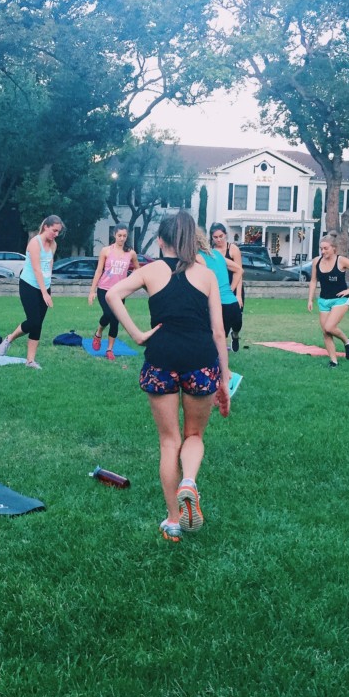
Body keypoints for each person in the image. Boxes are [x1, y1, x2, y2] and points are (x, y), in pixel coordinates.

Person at [106, 211, 230, 543]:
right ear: (191, 239)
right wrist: (224, 376)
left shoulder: (151, 270)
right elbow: (219, 333)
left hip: (160, 357)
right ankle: (189, 480)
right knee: (193, 436)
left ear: (161, 240)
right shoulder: (206, 276)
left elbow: (112, 295)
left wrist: (136, 334)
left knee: (168, 442)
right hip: (200, 359)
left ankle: (174, 520)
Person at [0, 215, 63, 369]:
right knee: (33, 321)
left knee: (38, 324)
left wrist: (48, 286)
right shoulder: (35, 243)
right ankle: (9, 338)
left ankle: (30, 361)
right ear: (46, 226)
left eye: (58, 231)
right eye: (54, 230)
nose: (56, 234)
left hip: (44, 286)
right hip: (29, 285)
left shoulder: (53, 244)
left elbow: (49, 264)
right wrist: (44, 293)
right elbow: (36, 269)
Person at [307, 234, 349, 367]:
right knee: (326, 331)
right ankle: (333, 361)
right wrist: (310, 299)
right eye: (321, 249)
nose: (323, 251)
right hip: (324, 300)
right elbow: (313, 281)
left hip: (340, 300)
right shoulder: (317, 261)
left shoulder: (341, 261)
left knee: (330, 327)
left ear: (334, 248)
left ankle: (347, 342)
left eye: (326, 248)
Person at [88, 223, 139, 360]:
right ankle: (98, 332)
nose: (122, 238)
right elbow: (99, 271)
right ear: (114, 235)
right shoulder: (106, 251)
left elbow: (137, 269)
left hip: (119, 292)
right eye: (119, 235)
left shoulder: (131, 253)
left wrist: (129, 282)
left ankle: (109, 349)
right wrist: (92, 291)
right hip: (104, 289)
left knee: (116, 320)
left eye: (124, 236)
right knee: (108, 314)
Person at [201, 224, 244, 353]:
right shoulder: (210, 252)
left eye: (221, 236)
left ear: (225, 234)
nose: (219, 239)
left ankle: (235, 335)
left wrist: (237, 294)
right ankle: (220, 345)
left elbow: (240, 272)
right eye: (215, 237)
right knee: (220, 320)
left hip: (234, 287)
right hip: (218, 289)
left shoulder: (233, 249)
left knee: (237, 321)